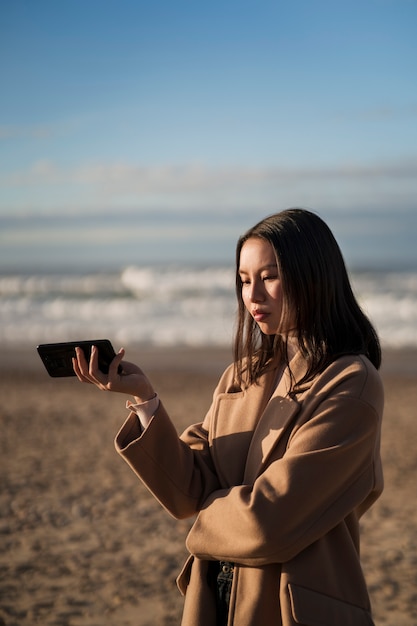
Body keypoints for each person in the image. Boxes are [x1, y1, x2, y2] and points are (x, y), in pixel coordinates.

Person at [73, 208, 384, 626]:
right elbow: (188, 489)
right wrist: (144, 398)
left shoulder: (351, 384)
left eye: (269, 276)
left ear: (313, 275)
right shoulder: (242, 375)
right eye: (243, 280)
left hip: (291, 609)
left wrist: (207, 513)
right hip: (213, 602)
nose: (252, 295)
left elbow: (268, 522)